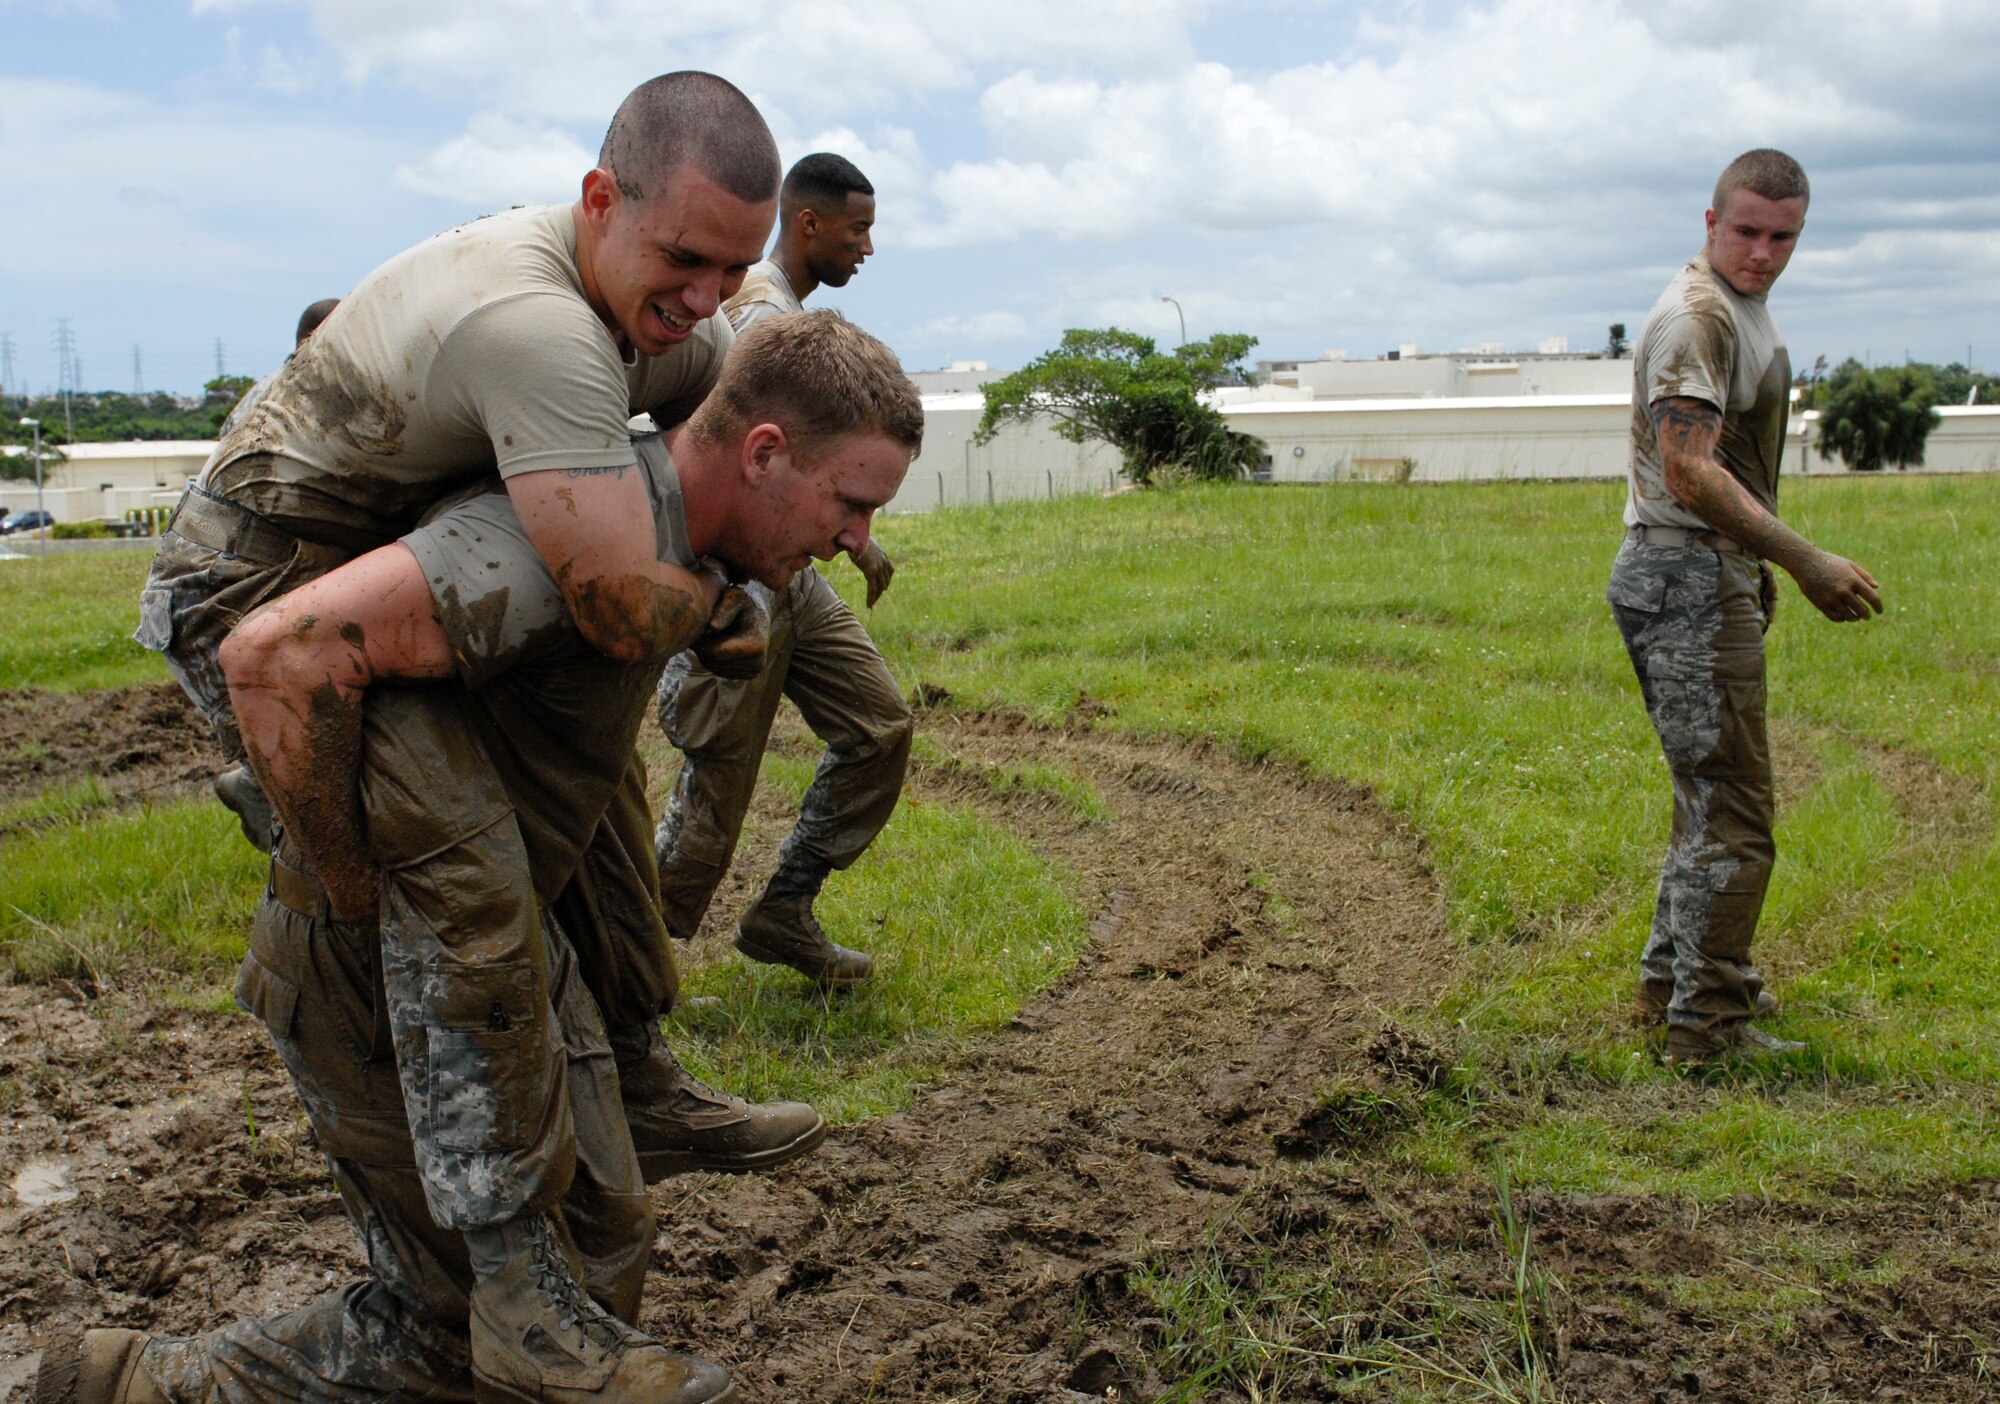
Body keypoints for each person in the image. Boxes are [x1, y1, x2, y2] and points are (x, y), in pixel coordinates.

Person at [38, 311, 923, 1404]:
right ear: (762, 455)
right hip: (388, 982)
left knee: (598, 1260)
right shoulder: (550, 548)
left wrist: (709, 608)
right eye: (851, 503)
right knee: (448, 1335)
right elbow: (280, 653)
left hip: (513, 969)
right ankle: (133, 1387)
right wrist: (346, 891)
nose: (855, 538)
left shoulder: (668, 541)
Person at [134, 72, 809, 1181]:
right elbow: (616, 600)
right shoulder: (537, 326)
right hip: (251, 584)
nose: (705, 296)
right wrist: (720, 604)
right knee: (447, 860)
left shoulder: (655, 319)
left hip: (389, 554)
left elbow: (742, 434)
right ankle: (471, 1208)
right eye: (684, 259)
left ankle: (639, 1087)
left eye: (735, 268)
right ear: (601, 199)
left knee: (590, 780)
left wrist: (819, 508)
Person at [1610, 148, 1883, 1068]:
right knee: (1734, 811)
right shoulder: (1697, 318)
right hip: (1680, 573)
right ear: (1711, 221)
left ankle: (1671, 989)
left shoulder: (1738, 308)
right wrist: (1804, 560)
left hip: (1699, 569)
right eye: (1748, 232)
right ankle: (1710, 1029)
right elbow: (1688, 469)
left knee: (1707, 801)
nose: (1764, 252)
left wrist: (1751, 563)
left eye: (1784, 237)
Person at [654, 153, 911, 987]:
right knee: (715, 799)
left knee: (877, 727)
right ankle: (620, 971)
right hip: (747, 579)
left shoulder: (783, 311)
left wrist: (852, 538)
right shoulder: (764, 315)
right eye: (857, 228)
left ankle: (785, 909)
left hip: (794, 576)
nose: (867, 248)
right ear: (809, 224)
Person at [211, 295, 344, 844]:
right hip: (268, 564)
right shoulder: (305, 396)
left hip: (234, 567)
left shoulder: (261, 395)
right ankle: (268, 793)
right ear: (312, 341)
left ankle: (267, 789)